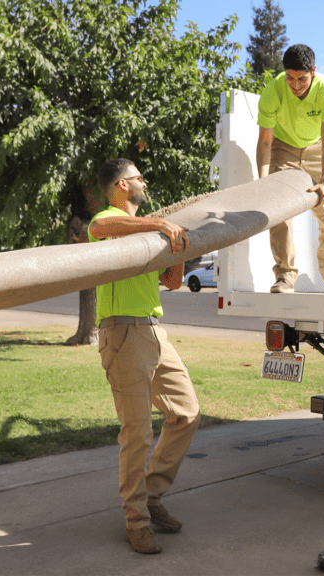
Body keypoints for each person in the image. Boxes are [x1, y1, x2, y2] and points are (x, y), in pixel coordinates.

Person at [89, 158, 200, 555]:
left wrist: (180, 250)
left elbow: (170, 283)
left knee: (186, 412)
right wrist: (159, 225)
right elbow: (100, 228)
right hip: (122, 332)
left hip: (154, 331)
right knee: (137, 432)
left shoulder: (147, 230)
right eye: (138, 177)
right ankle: (135, 522)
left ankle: (151, 497)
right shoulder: (109, 221)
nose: (144, 181)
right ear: (121, 185)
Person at [256, 43, 324, 295]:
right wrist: (261, 181)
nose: (295, 85)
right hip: (283, 148)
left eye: (301, 79)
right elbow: (264, 141)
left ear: (313, 72)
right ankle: (284, 275)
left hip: (316, 148)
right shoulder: (273, 92)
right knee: (280, 211)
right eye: (290, 78)